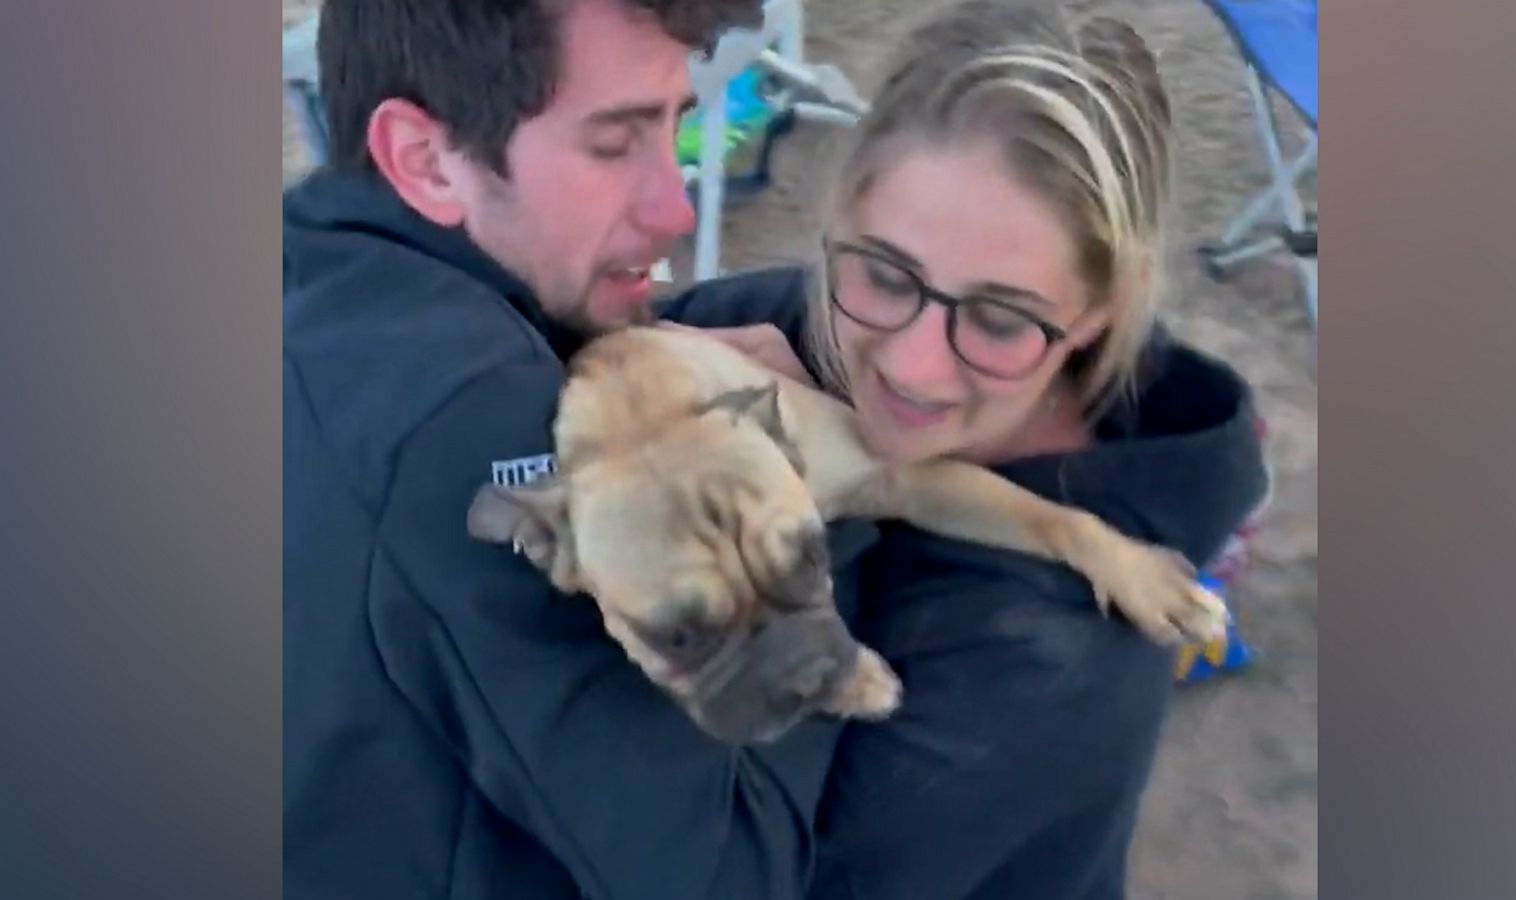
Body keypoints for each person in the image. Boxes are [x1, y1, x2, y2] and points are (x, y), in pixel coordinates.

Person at [660, 2, 1271, 897]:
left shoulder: (1053, 670)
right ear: (839, 224)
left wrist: (807, 496)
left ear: (1095, 317)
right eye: (881, 271)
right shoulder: (798, 328)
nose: (910, 365)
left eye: (998, 319)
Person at [282, 2, 872, 899]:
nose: (676, 205)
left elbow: (591, 334)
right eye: (613, 144)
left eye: (677, 127)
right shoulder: (470, 422)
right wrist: (817, 500)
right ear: (424, 158)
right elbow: (728, 873)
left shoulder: (312, 274)